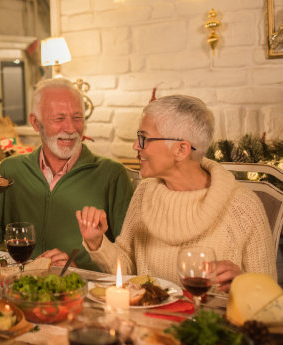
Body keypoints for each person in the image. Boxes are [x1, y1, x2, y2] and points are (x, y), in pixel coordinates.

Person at [76, 95, 277, 291]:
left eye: (143, 138)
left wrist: (242, 284)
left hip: (212, 324)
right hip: (150, 321)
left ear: (181, 150)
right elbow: (127, 269)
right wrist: (97, 242)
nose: (135, 146)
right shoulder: (144, 193)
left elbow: (269, 302)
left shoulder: (244, 207)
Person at [0, 78, 134, 270]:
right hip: (20, 286)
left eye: (77, 117)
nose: (71, 128)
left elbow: (129, 258)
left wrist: (76, 269)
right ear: (36, 123)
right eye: (59, 118)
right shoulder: (11, 169)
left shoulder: (112, 174)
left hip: (82, 291)